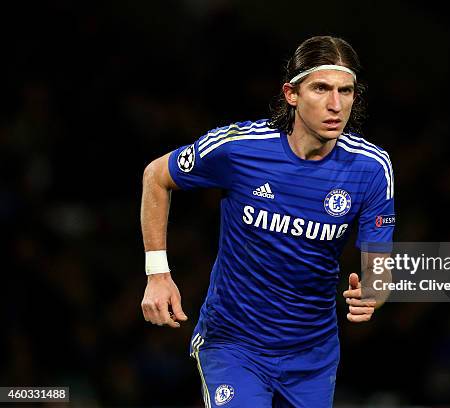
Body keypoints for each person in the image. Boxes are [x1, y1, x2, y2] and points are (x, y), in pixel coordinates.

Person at [140, 35, 395, 407]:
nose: (335, 104)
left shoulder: (371, 168)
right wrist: (157, 273)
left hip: (312, 355)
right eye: (321, 88)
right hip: (233, 345)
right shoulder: (239, 148)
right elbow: (155, 177)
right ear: (291, 94)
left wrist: (374, 294)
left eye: (346, 90)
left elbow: (379, 271)